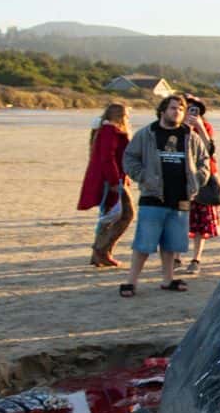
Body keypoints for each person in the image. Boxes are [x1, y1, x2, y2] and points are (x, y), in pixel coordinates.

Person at [120, 95, 212, 297]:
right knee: (144, 243)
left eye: (180, 109)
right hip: (153, 196)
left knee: (172, 244)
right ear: (162, 111)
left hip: (181, 197)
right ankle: (131, 282)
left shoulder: (190, 136)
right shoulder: (148, 133)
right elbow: (129, 157)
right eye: (172, 108)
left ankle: (168, 279)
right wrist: (144, 177)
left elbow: (204, 159)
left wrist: (197, 180)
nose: (177, 112)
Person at [78, 102, 133, 267]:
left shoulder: (103, 130)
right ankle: (101, 250)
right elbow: (107, 158)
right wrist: (115, 181)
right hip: (111, 181)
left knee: (108, 216)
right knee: (125, 215)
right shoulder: (110, 131)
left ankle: (99, 254)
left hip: (109, 180)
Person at [183, 97, 220, 275]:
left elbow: (210, 150)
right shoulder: (176, 126)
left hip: (203, 179)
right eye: (188, 108)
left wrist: (199, 128)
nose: (192, 112)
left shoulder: (205, 127)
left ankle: (196, 258)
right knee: (180, 219)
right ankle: (175, 257)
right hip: (181, 179)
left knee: (201, 222)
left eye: (195, 109)